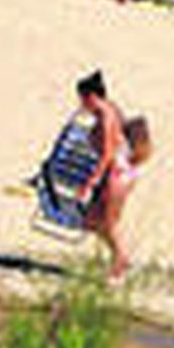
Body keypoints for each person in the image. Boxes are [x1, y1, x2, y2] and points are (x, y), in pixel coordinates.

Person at [74, 71, 137, 280]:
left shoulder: (105, 116)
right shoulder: (108, 109)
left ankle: (119, 265)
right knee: (93, 221)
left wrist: (91, 182)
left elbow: (108, 152)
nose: (81, 103)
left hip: (116, 173)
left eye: (82, 99)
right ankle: (121, 259)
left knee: (107, 222)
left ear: (91, 96)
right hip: (118, 172)